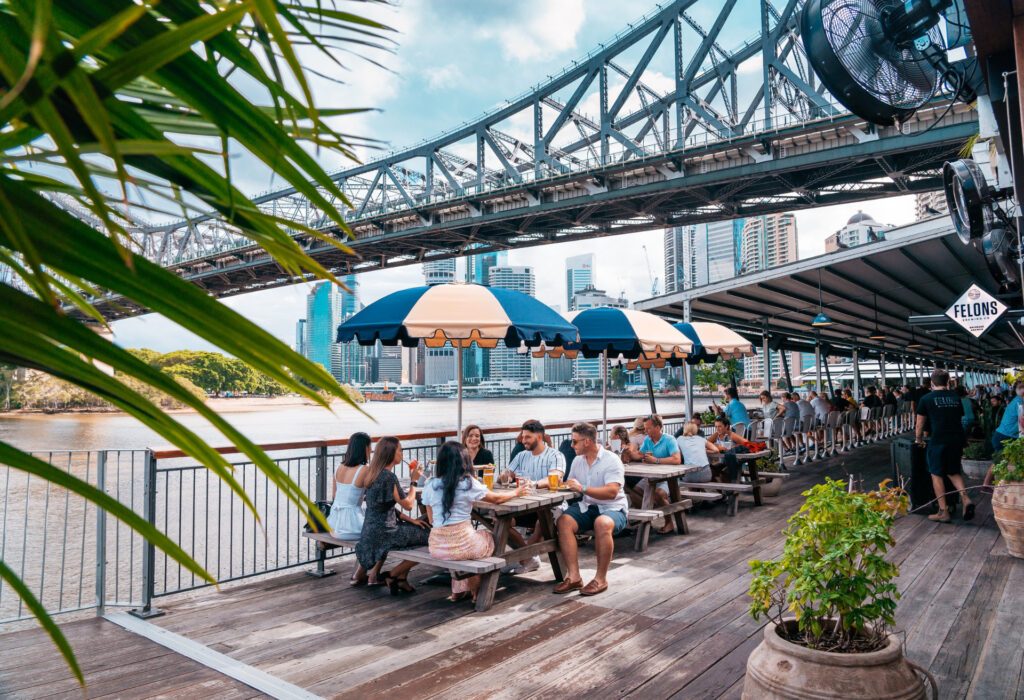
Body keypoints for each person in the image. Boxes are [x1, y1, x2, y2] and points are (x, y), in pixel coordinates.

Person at [422, 441, 524, 603]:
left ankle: (459, 591)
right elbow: (496, 499)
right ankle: (477, 591)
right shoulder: (468, 483)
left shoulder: (430, 485)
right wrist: (516, 492)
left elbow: (432, 519)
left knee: (463, 548)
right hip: (463, 545)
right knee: (490, 539)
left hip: (437, 547)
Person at [554, 422, 629, 596]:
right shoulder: (578, 460)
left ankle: (600, 579)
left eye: (574, 442)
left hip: (613, 508)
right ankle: (573, 577)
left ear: (587, 442)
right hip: (588, 506)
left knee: (602, 523)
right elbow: (571, 484)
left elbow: (611, 492)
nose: (571, 445)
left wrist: (583, 488)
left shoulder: (611, 460)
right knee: (564, 521)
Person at [355, 436, 430, 594]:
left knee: (419, 524)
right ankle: (395, 575)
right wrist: (414, 481)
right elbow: (409, 504)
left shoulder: (371, 474)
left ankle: (401, 578)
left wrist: (411, 521)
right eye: (400, 450)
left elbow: (382, 507)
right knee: (432, 537)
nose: (402, 454)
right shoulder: (389, 477)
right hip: (387, 534)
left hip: (369, 532)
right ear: (391, 453)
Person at [501, 419, 566, 572]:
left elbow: (556, 477)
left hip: (551, 505)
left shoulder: (555, 455)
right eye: (523, 437)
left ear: (539, 437)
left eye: (527, 437)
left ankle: (523, 557)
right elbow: (507, 473)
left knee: (543, 520)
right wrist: (504, 476)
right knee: (501, 521)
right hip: (524, 505)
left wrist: (534, 484)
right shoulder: (521, 456)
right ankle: (527, 558)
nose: (523, 441)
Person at [915, 369, 974, 523]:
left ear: (932, 382)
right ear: (947, 382)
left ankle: (943, 511)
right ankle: (965, 498)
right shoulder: (955, 397)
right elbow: (959, 417)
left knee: (936, 474)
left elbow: (920, 423)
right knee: (953, 471)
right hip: (956, 438)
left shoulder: (926, 398)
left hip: (939, 440)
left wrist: (918, 439)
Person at [328, 432, 374, 586]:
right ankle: (362, 573)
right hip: (350, 526)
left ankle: (362, 572)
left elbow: (335, 496)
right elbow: (372, 494)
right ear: (365, 449)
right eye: (370, 447)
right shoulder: (365, 469)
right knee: (377, 533)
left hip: (334, 523)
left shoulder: (338, 467)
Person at [638, 414, 682, 532]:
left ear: (657, 427)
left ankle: (669, 522)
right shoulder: (647, 440)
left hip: (669, 478)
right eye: (645, 428)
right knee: (632, 489)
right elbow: (640, 454)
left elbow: (677, 459)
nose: (645, 430)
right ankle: (645, 519)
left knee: (658, 493)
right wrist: (627, 453)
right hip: (651, 476)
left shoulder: (669, 439)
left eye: (648, 428)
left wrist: (656, 460)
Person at [707, 416, 750, 482]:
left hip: (733, 462)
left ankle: (729, 489)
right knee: (710, 471)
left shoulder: (731, 435)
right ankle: (720, 490)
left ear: (726, 426)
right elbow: (706, 443)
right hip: (723, 462)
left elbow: (747, 443)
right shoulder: (716, 435)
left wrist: (734, 447)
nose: (717, 429)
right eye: (716, 427)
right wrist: (716, 446)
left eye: (720, 426)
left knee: (724, 473)